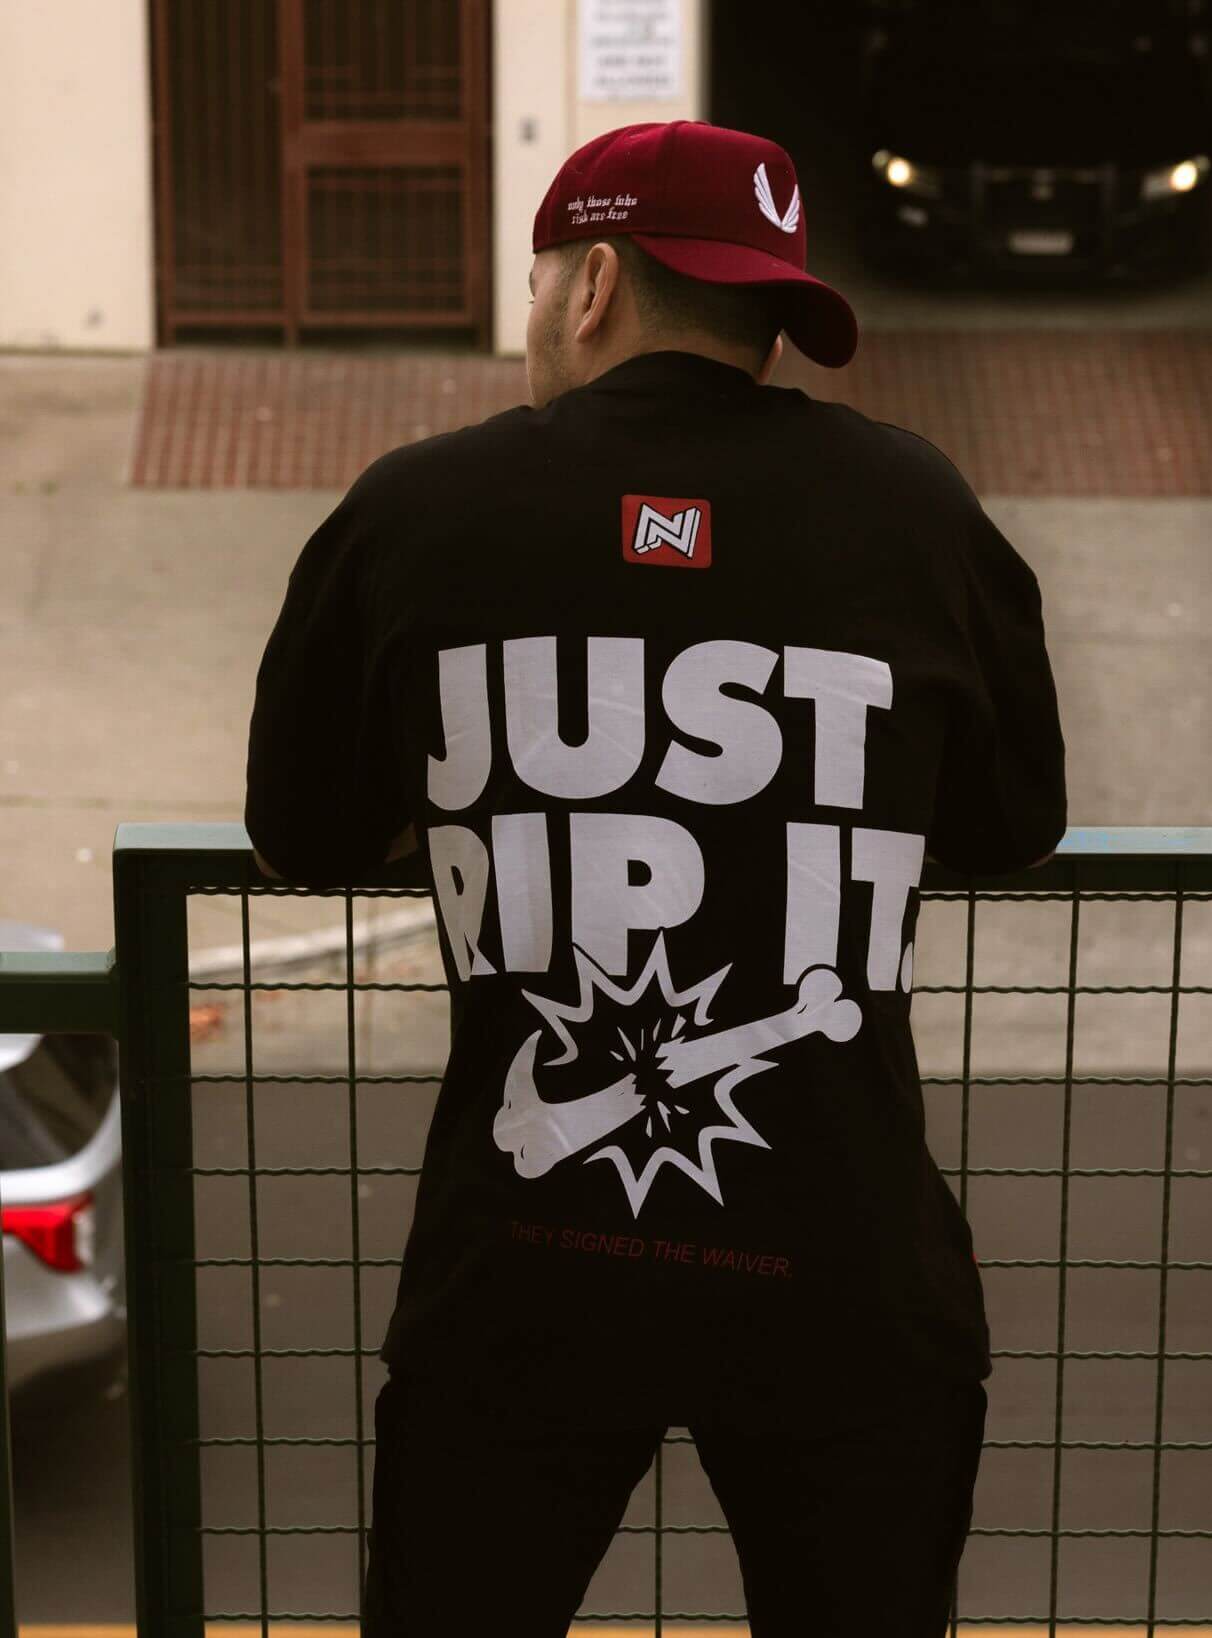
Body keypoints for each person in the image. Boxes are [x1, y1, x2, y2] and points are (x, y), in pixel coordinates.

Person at [244, 120, 1066, 1637]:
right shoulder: (917, 508)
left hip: (524, 1267)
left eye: (542, 277)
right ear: (766, 316)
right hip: (847, 1275)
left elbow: (298, 826)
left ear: (594, 284)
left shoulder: (415, 509)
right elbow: (1017, 823)